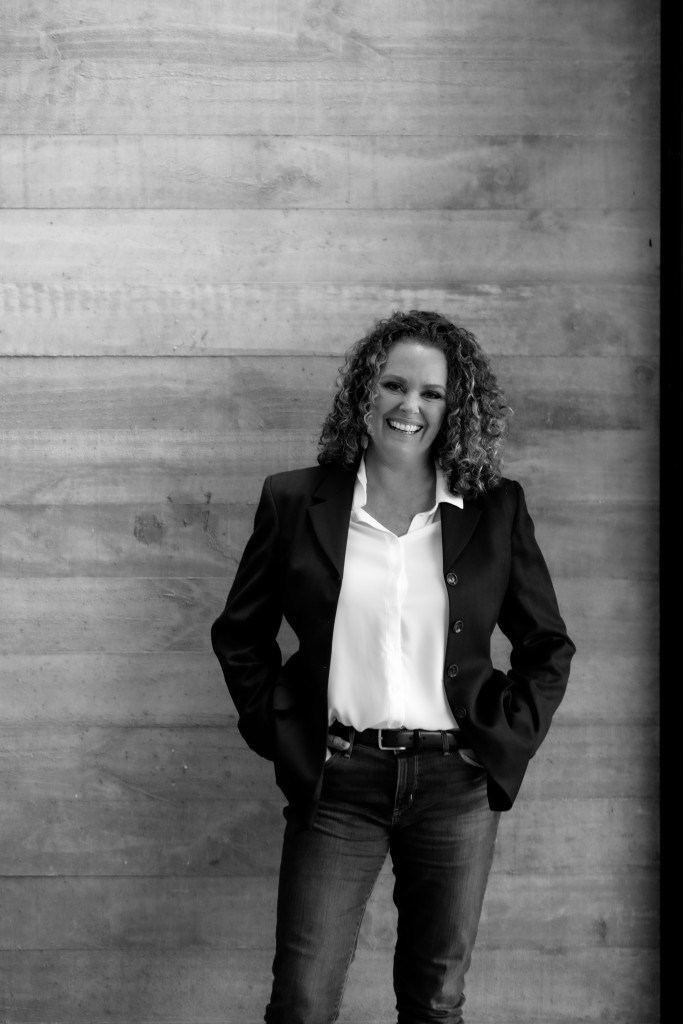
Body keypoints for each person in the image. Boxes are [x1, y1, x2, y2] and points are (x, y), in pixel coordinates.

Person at [211, 310, 575, 1024]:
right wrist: (281, 733)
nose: (410, 405)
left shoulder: (495, 509)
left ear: (454, 408)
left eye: (431, 393)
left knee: (435, 1002)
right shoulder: (295, 501)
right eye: (393, 385)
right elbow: (240, 634)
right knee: (302, 1002)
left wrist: (508, 737)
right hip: (338, 782)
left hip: (456, 786)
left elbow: (546, 644)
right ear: (364, 391)